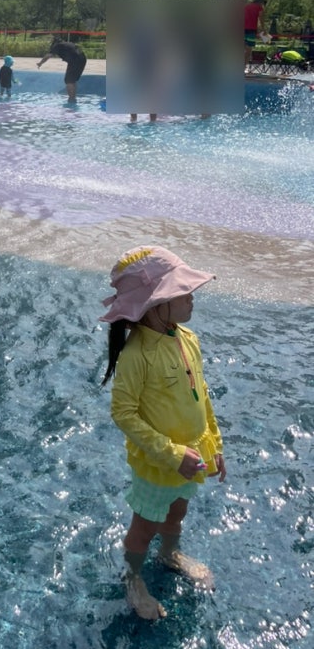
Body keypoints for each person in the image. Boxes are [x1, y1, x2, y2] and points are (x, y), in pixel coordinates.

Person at [99, 245, 226, 621]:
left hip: (192, 456)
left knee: (177, 513)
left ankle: (170, 553)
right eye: (182, 291)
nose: (192, 297)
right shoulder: (137, 355)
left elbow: (201, 395)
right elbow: (123, 413)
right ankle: (132, 577)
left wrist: (215, 444)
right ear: (155, 305)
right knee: (144, 527)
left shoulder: (188, 339)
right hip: (159, 464)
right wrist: (172, 454)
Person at [36, 37, 87, 102]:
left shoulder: (57, 45)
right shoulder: (67, 44)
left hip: (75, 60)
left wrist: (40, 63)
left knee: (68, 80)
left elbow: (48, 56)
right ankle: (73, 98)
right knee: (72, 80)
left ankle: (71, 99)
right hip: (82, 59)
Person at [244, 0, 267, 68]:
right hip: (251, 30)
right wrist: (263, 29)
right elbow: (261, 18)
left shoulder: (246, 6)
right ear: (262, 3)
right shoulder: (259, 8)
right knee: (248, 50)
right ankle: (243, 66)